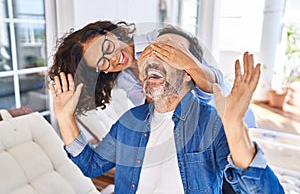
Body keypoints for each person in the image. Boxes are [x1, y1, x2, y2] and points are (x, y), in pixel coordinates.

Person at [49, 32, 284, 193]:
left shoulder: (210, 123)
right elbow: (91, 166)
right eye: (149, 56)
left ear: (187, 72)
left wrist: (234, 126)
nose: (152, 60)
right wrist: (64, 116)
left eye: (166, 55)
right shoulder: (130, 121)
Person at [48, 21, 256, 138]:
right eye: (102, 63)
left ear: (110, 33)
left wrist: (189, 63)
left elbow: (213, 84)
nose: (113, 59)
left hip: (234, 115)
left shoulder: (159, 39)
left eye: (107, 47)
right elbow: (157, 112)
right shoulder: (123, 79)